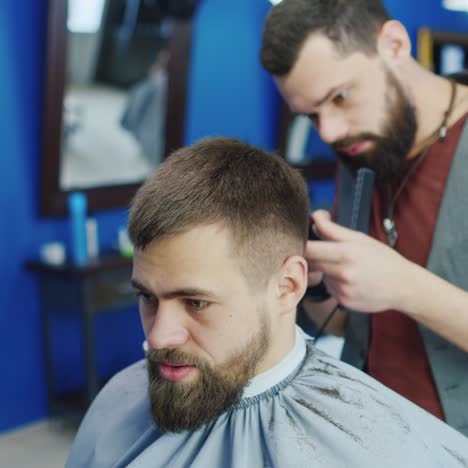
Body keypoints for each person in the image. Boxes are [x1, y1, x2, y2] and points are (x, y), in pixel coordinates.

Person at [66, 137, 468, 468]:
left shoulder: (385, 450)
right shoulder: (119, 401)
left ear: (289, 285)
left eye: (195, 302)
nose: (158, 337)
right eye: (147, 297)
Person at [260, 0, 468, 435]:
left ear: (394, 44)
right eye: (312, 115)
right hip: (370, 435)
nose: (330, 132)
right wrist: (318, 288)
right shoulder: (362, 146)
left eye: (339, 97)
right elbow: (357, 326)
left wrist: (404, 285)